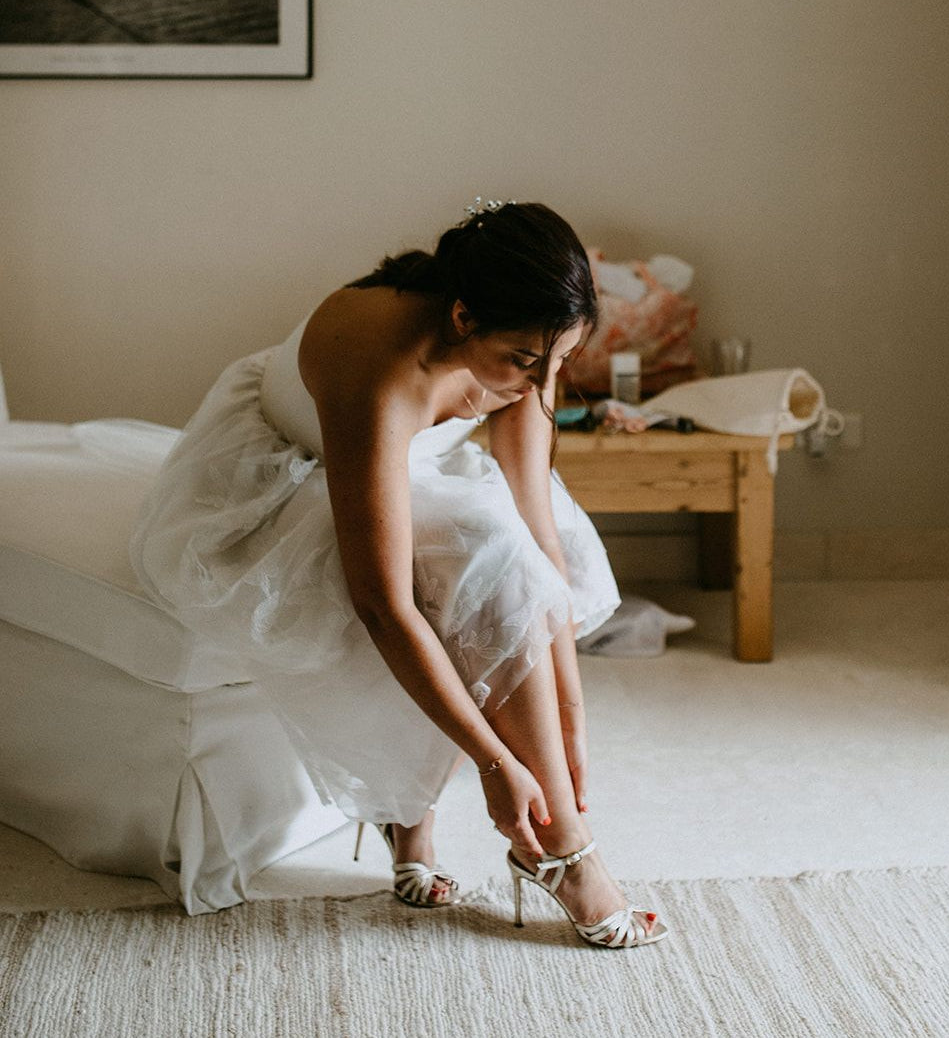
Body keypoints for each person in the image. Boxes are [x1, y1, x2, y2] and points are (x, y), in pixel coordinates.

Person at [130, 200, 667, 949]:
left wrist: (568, 711)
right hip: (304, 459)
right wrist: (493, 760)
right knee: (437, 567)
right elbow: (379, 603)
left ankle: (544, 843)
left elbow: (538, 532)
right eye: (525, 361)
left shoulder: (526, 347)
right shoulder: (381, 367)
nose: (543, 382)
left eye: (560, 360)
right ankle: (516, 845)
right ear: (460, 316)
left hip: (423, 456)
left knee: (501, 551)